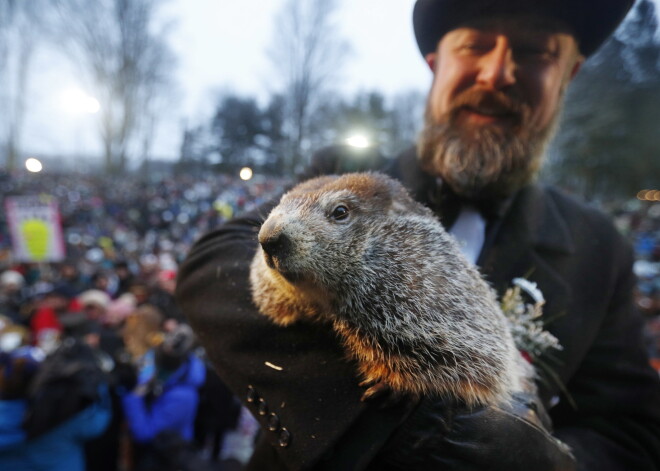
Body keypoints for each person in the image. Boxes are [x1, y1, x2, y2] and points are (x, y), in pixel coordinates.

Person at [176, 0, 660, 469]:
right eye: (474, 46)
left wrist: (541, 462)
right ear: (436, 64)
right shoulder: (340, 172)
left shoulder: (599, 245)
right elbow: (213, 266)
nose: (497, 73)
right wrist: (403, 426)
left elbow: (626, 431)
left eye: (535, 52)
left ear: (568, 76)